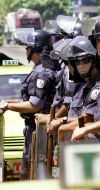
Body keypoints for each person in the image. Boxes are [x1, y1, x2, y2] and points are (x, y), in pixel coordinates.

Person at [0, 28, 56, 180]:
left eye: (28, 47)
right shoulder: (39, 69)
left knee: (33, 174)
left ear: (36, 48)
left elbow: (34, 105)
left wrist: (7, 106)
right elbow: (26, 100)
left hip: (40, 131)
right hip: (34, 129)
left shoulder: (42, 72)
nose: (25, 49)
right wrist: (6, 101)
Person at [47, 36, 100, 142]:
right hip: (72, 142)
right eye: (77, 62)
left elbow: (87, 118)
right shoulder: (81, 86)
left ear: (95, 60)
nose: (80, 65)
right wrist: (61, 121)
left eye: (85, 60)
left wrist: (62, 123)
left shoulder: (98, 87)